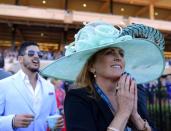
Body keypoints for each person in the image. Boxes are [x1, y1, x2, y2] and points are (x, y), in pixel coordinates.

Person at [41, 21, 165, 131]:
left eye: (121, 54)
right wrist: (123, 113)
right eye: (109, 53)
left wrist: (135, 116)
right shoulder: (77, 99)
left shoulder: (133, 92)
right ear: (91, 66)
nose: (118, 57)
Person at [0, 41, 64, 131]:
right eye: (31, 53)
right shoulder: (4, 85)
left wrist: (56, 124)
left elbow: (53, 116)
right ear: (20, 59)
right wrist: (11, 121)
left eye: (39, 54)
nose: (36, 56)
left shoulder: (49, 87)